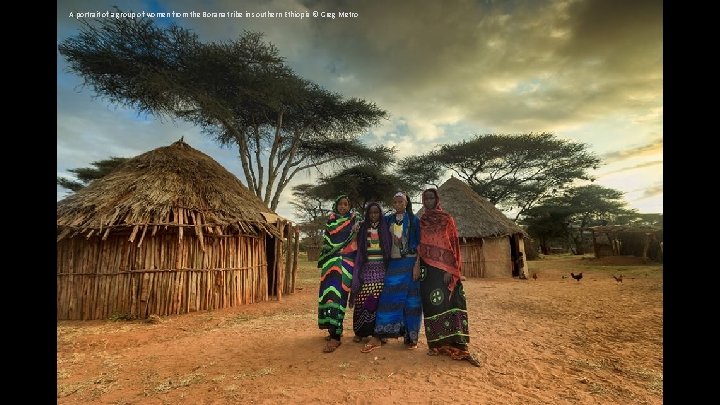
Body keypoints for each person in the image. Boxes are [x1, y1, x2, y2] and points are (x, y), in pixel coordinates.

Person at [415, 188, 481, 366]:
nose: (429, 201)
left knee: (453, 303)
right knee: (432, 306)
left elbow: (453, 244)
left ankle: (458, 345)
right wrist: (417, 266)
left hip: (446, 270)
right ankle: (437, 345)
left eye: (431, 198)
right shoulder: (422, 221)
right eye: (426, 198)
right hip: (428, 271)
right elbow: (419, 247)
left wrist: (450, 269)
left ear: (437, 199)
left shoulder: (447, 219)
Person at [361, 192, 422, 353]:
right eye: (394, 201)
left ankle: (411, 338)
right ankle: (380, 335)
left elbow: (420, 245)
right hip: (394, 264)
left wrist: (417, 265)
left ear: (406, 202)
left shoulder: (414, 220)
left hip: (410, 262)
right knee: (387, 299)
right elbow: (373, 224)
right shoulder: (388, 219)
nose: (397, 204)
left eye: (400, 201)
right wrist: (358, 224)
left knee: (411, 302)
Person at [317, 194, 360, 353]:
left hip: (346, 264)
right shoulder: (331, 221)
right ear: (336, 205)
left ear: (349, 206)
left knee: (339, 298)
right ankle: (333, 330)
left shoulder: (355, 220)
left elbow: (358, 239)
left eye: (346, 204)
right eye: (340, 204)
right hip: (329, 265)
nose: (343, 207)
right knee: (328, 297)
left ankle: (335, 337)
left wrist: (356, 224)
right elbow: (327, 244)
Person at [349, 202, 392, 344]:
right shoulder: (362, 228)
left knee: (378, 302)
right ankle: (360, 332)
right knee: (363, 300)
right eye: (371, 213)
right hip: (366, 270)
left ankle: (379, 333)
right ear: (367, 214)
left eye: (376, 212)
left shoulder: (385, 228)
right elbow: (355, 244)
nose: (374, 215)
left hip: (381, 270)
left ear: (380, 213)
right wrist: (356, 227)